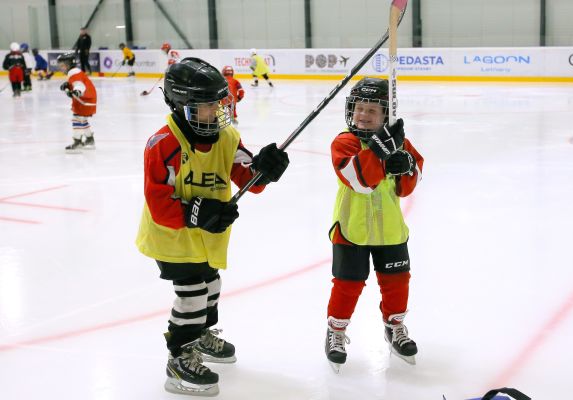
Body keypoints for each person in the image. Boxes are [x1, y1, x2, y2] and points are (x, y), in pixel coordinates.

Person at [134, 57, 289, 396]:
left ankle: (200, 335)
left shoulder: (226, 136)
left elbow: (248, 177)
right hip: (171, 238)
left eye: (218, 103)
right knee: (192, 294)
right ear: (180, 105)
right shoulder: (163, 144)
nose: (216, 111)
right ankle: (179, 356)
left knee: (211, 284)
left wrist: (266, 169)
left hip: (206, 237)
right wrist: (198, 213)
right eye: (205, 106)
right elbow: (159, 204)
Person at [324, 77, 424, 373]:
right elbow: (357, 180)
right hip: (351, 230)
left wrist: (405, 166)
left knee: (397, 283)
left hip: (390, 230)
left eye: (372, 110)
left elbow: (409, 183)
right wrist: (380, 154)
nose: (363, 115)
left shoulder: (399, 143)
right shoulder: (345, 142)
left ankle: (395, 327)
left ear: (386, 115)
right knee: (348, 284)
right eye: (359, 108)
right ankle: (336, 331)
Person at [57, 52, 97, 152]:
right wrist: (68, 85)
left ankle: (77, 141)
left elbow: (79, 84)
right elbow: (76, 82)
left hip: (84, 99)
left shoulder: (73, 72)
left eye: (62, 65)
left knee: (77, 119)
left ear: (69, 64)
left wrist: (77, 91)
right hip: (87, 98)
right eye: (60, 65)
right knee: (82, 119)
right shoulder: (75, 72)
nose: (61, 68)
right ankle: (89, 139)